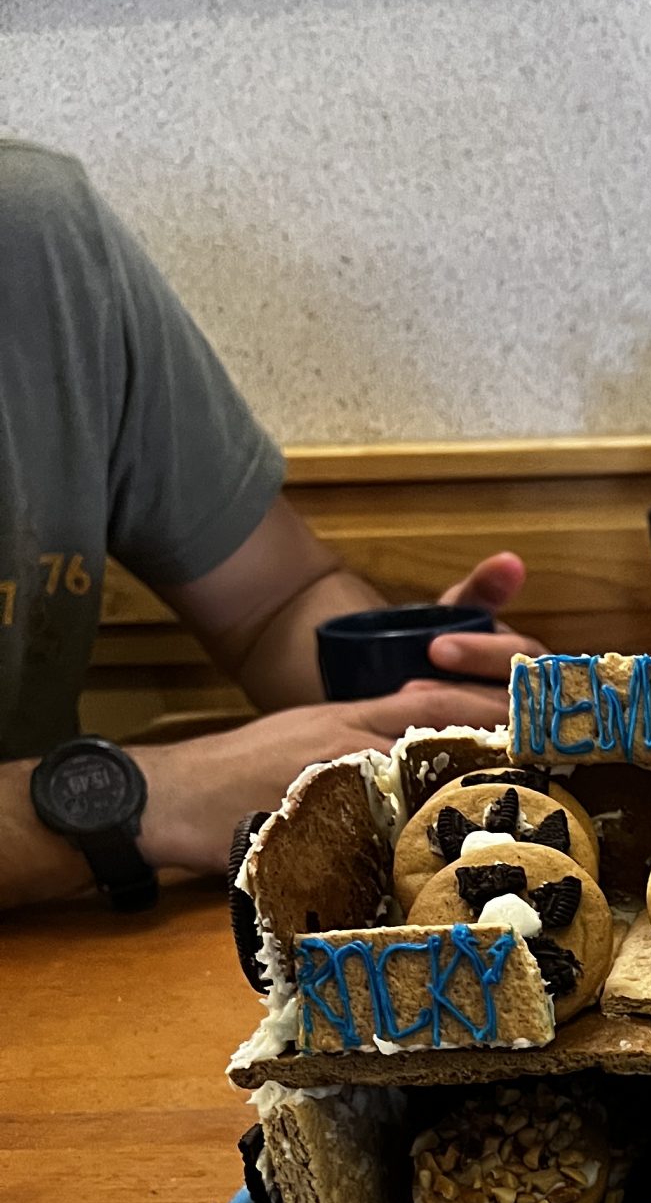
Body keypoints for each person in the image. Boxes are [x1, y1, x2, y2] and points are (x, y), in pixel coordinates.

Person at [0, 139, 538, 912]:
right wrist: (154, 795)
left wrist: (408, 696)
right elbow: (176, 793)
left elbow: (274, 603)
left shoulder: (37, 230)